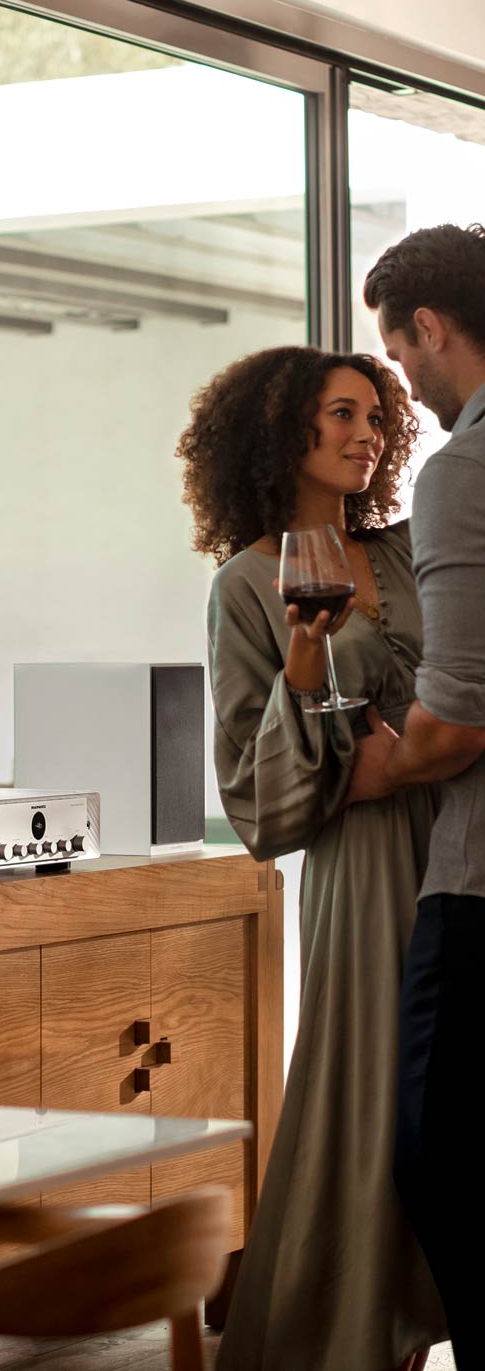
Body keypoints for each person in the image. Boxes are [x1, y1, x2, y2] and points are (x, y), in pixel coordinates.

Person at [177, 345, 443, 1371]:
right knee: (371, 1083)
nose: (366, 435)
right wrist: (316, 688)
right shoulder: (245, 584)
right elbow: (255, 792)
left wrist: (400, 754)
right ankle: (351, 1332)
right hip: (363, 866)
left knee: (450, 1088)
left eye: (376, 417)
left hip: (457, 837)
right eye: (342, 413)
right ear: (283, 426)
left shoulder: (409, 553)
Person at [349, 222, 485, 1371]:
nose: (405, 393)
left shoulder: (465, 469)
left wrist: (379, 762)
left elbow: (455, 722)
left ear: (429, 327)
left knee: (441, 1162)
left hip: (480, 884)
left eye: (397, 361)